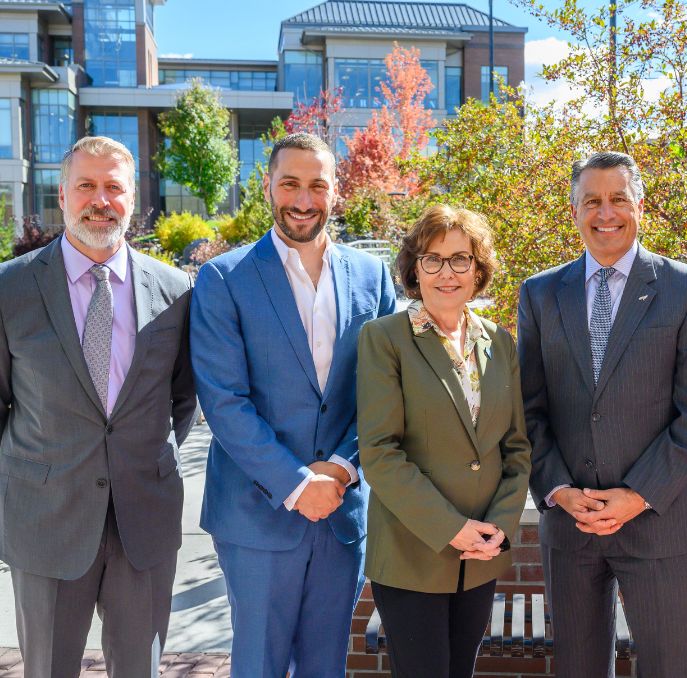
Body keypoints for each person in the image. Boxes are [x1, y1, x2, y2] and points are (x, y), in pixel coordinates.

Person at [190, 132, 395, 678]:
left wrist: (344, 468)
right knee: (258, 665)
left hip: (342, 513)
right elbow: (224, 401)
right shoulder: (223, 278)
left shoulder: (372, 277)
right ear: (267, 186)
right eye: (290, 184)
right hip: (257, 516)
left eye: (317, 185)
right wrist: (299, 484)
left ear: (336, 193)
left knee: (326, 666)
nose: (303, 200)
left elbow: (387, 389)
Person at [517, 151, 687, 677]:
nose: (605, 213)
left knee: (669, 667)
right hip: (569, 524)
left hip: (657, 522)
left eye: (617, 199)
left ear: (640, 206)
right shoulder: (540, 293)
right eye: (592, 201)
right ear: (574, 211)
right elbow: (528, 408)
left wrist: (637, 496)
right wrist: (559, 490)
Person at [0, 136, 196, 677]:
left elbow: (181, 398)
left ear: (133, 200)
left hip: (144, 521)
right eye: (86, 185)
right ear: (62, 194)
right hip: (46, 521)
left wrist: (138, 457)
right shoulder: (10, 288)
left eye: (114, 187)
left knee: (139, 670)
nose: (100, 199)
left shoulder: (176, 290)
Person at [357, 204, 531, 678]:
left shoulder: (499, 342)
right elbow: (379, 452)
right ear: (415, 268)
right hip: (414, 553)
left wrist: (498, 527)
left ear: (479, 269)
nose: (446, 272)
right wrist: (451, 528)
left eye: (460, 259)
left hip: (479, 556)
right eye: (432, 259)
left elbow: (515, 449)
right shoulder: (385, 338)